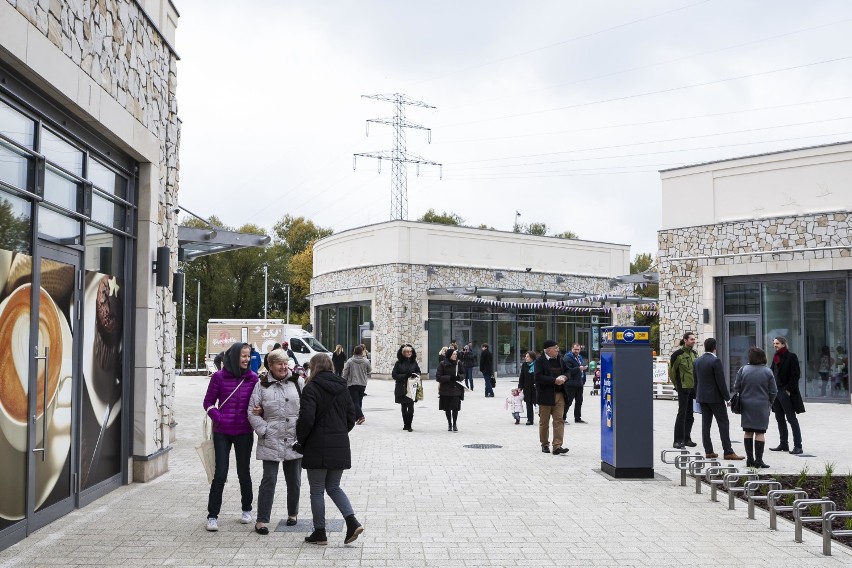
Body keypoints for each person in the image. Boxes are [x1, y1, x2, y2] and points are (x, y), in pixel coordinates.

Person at [293, 355, 363, 546]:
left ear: (313, 367)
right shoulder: (342, 387)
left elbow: (306, 419)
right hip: (339, 443)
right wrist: (339, 432)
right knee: (333, 486)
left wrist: (302, 440)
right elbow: (351, 417)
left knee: (316, 490)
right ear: (331, 366)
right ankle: (352, 521)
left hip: (317, 445)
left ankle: (320, 532)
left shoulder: (311, 388)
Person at [202, 342, 259, 531]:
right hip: (222, 432)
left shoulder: (253, 379)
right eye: (243, 355)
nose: (246, 359)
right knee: (220, 473)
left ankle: (247, 509)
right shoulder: (218, 377)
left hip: (244, 432)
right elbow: (208, 403)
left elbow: (259, 404)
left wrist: (260, 411)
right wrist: (219, 418)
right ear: (234, 357)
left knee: (244, 471)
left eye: (248, 356)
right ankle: (212, 515)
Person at [247, 349, 304, 534]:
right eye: (279, 363)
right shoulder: (261, 385)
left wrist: (303, 431)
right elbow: (251, 411)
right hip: (270, 439)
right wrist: (264, 430)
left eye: (286, 362)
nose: (283, 366)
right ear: (270, 365)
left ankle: (292, 513)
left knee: (294, 480)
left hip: (293, 438)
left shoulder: (298, 382)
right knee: (269, 479)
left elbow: (308, 408)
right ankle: (262, 520)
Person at [694, 338, 744, 460]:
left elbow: (696, 381)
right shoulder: (715, 361)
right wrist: (727, 398)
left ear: (705, 346)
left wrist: (697, 395)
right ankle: (728, 451)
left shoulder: (697, 361)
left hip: (703, 397)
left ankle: (708, 451)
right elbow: (720, 382)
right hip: (715, 398)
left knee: (706, 425)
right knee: (723, 423)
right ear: (715, 347)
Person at [733, 347, 778, 468]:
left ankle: (749, 460)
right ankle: (759, 460)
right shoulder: (768, 372)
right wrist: (769, 402)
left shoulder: (743, 370)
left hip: (746, 405)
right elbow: (773, 391)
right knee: (760, 433)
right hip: (762, 405)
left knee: (748, 431)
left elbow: (736, 387)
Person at [769, 336, 805, 454]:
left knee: (791, 419)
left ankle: (798, 446)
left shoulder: (791, 356)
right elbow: (771, 373)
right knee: (779, 419)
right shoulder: (775, 357)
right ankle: (784, 444)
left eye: (777, 343)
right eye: (774, 343)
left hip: (785, 392)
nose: (775, 345)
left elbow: (796, 375)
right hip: (776, 392)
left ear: (784, 344)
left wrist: (788, 390)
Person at [534, 340, 569, 455]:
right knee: (544, 422)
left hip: (560, 395)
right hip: (546, 395)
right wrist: (554, 381)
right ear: (548, 350)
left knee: (559, 420)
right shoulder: (540, 361)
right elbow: (538, 377)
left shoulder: (560, 359)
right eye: (555, 347)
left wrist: (564, 377)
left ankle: (557, 446)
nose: (557, 349)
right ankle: (544, 444)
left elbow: (568, 371)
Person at [669, 332, 698, 449]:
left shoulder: (694, 354)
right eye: (691, 339)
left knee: (690, 415)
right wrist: (677, 386)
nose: (694, 341)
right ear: (685, 340)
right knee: (682, 414)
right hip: (683, 388)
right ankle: (677, 440)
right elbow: (671, 372)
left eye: (694, 339)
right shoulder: (677, 355)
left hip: (693, 388)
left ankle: (687, 438)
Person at [392, 344, 421, 432]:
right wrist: (405, 376)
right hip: (402, 387)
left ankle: (409, 425)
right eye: (407, 352)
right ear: (403, 353)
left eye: (410, 351)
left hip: (412, 386)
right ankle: (405, 424)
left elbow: (418, 372)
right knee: (404, 406)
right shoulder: (398, 363)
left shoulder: (414, 362)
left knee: (411, 406)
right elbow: (394, 375)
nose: (409, 353)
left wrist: (415, 375)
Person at [436, 348, 465, 431]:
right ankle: (449, 423)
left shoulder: (458, 363)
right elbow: (438, 377)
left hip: (456, 389)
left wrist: (459, 377)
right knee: (447, 408)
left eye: (456, 354)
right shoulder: (442, 364)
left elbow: (463, 374)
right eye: (453, 354)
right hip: (445, 389)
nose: (455, 355)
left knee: (455, 408)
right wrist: (449, 378)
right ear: (449, 355)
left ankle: (455, 424)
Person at [342, 345, 371, 425]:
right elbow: (369, 370)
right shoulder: (366, 361)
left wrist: (343, 381)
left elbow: (345, 372)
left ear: (354, 351)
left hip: (352, 383)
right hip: (362, 383)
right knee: (359, 400)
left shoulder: (350, 361)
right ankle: (356, 417)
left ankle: (360, 416)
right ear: (362, 352)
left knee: (354, 401)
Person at [562, 343, 587, 424]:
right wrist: (578, 368)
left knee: (579, 401)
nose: (576, 351)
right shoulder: (567, 358)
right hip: (570, 383)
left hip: (579, 383)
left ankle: (577, 418)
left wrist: (583, 378)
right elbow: (568, 371)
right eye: (575, 349)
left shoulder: (580, 357)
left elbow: (582, 367)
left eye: (578, 349)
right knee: (568, 401)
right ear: (571, 349)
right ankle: (562, 417)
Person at [517, 350, 537, 425]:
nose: (525, 358)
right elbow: (522, 376)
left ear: (532, 357)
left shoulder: (537, 364)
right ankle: (530, 420)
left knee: (537, 403)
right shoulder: (524, 365)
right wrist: (520, 386)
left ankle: (542, 417)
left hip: (536, 388)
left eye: (527, 356)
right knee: (528, 404)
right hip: (527, 388)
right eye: (525, 356)